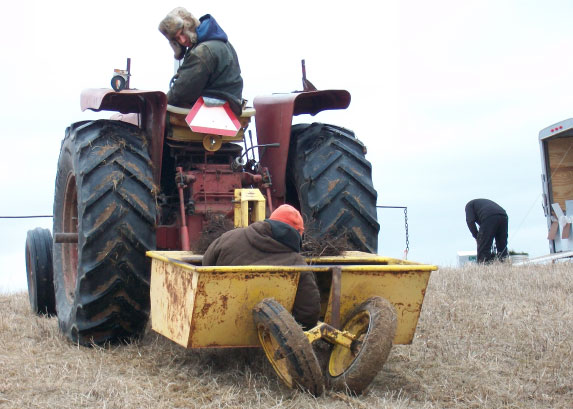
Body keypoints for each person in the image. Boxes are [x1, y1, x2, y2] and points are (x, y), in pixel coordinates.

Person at [202, 205, 321, 330]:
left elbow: (205, 266)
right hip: (267, 334)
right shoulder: (297, 264)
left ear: (270, 222)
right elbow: (309, 313)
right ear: (298, 234)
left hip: (217, 325)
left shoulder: (228, 238)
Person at [158, 7, 244, 116]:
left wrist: (160, 104)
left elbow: (181, 92)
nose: (183, 40)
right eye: (177, 38)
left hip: (215, 109)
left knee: (161, 118)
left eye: (182, 33)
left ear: (189, 25)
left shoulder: (202, 52)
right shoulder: (219, 41)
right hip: (229, 104)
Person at [465, 199, 509, 263]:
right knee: (502, 244)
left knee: (484, 247)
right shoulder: (479, 205)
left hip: (489, 216)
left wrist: (477, 237)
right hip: (503, 215)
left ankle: (484, 265)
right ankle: (504, 262)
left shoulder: (469, 206)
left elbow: (470, 221)